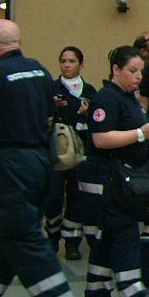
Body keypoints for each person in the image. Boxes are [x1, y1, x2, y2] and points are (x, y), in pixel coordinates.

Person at [0, 21, 90, 297]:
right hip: (41, 161)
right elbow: (48, 117)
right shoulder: (39, 72)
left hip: (8, 165)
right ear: (19, 41)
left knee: (26, 240)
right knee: (1, 242)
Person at [79, 46, 149, 297]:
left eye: (140, 71)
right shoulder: (106, 98)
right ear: (116, 70)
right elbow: (101, 139)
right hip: (107, 181)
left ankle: (97, 295)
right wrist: (141, 133)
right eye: (132, 71)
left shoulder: (128, 98)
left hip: (120, 179)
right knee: (125, 235)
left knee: (108, 237)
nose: (138, 76)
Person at [47, 45, 96, 260]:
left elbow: (98, 121)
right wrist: (52, 107)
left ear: (81, 64)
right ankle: (52, 235)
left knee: (77, 197)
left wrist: (87, 114)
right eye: (63, 61)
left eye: (72, 61)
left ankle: (72, 241)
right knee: (52, 196)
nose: (67, 65)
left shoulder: (90, 91)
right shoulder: (51, 89)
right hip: (57, 151)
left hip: (81, 151)